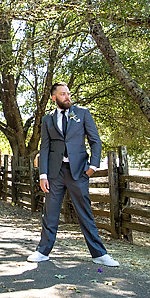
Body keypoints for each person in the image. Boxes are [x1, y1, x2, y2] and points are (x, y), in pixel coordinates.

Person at [27, 82, 119, 267]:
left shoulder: (83, 113)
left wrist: (93, 165)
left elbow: (95, 141)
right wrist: (43, 175)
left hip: (78, 171)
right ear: (54, 98)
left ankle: (99, 253)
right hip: (55, 172)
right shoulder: (47, 120)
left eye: (68, 93)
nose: (67, 96)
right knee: (50, 213)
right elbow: (44, 148)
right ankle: (42, 251)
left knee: (84, 212)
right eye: (62, 94)